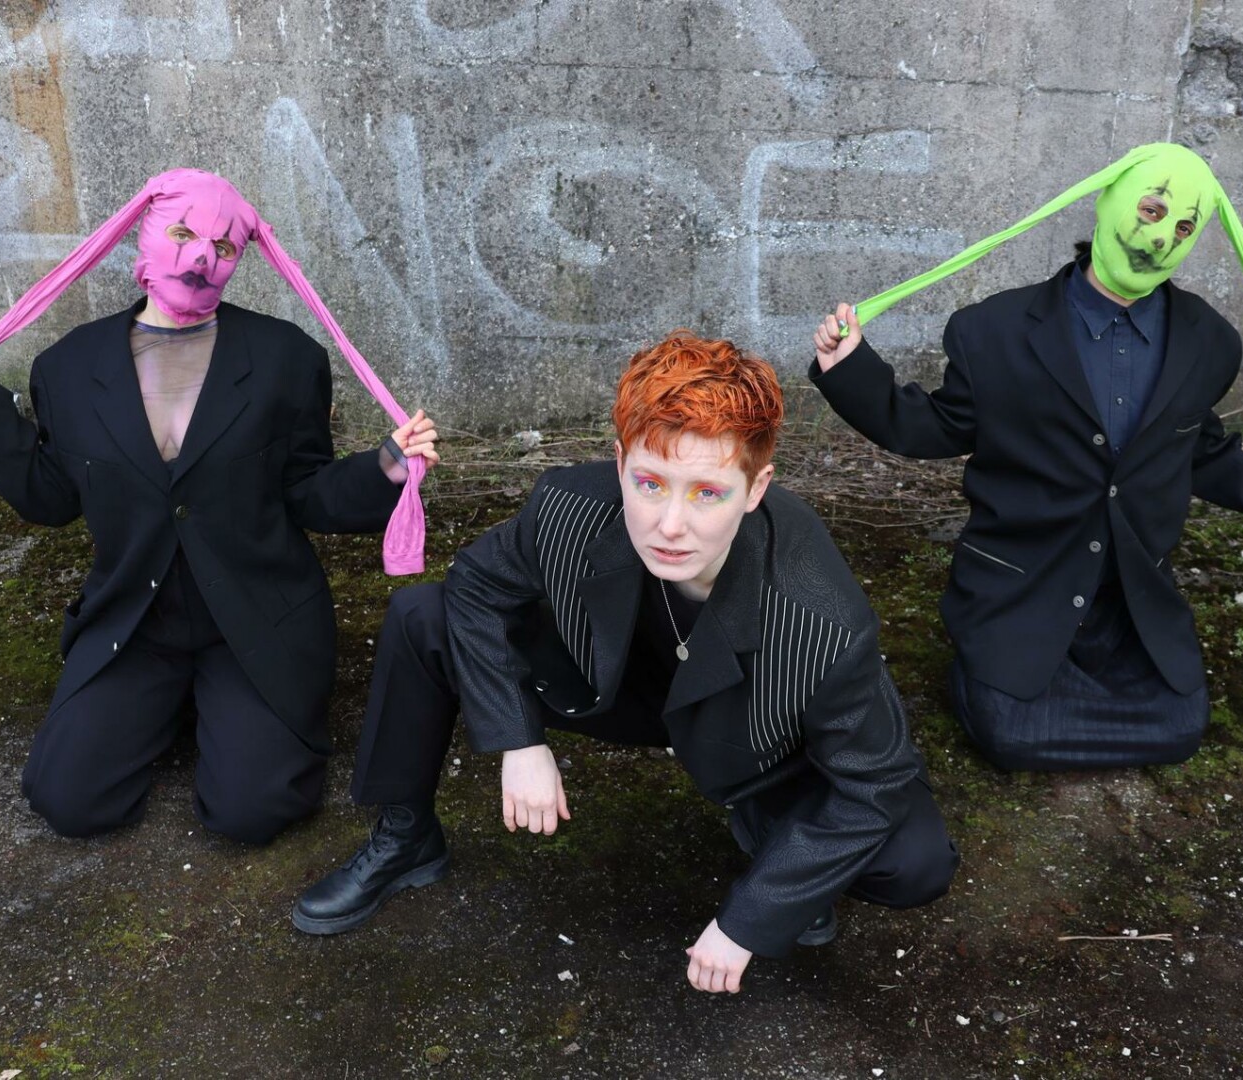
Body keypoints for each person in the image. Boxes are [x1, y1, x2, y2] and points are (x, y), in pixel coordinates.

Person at [291, 331, 958, 993]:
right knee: (422, 615)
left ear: (756, 488)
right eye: (650, 483)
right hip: (614, 681)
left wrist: (753, 917)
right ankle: (406, 836)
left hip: (748, 725)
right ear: (619, 463)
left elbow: (874, 785)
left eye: (707, 493)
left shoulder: (822, 619)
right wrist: (517, 737)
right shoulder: (566, 506)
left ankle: (776, 839)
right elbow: (474, 587)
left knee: (914, 860)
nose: (670, 525)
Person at [810, 143, 1243, 772]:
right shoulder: (994, 329)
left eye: (1183, 228)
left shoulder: (1209, 342)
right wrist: (849, 370)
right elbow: (935, 427)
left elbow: (1207, 457)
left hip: (1129, 594)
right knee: (1013, 736)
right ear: (1108, 203)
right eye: (1152, 210)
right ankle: (989, 672)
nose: (1159, 239)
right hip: (1023, 586)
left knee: (1180, 731)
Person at [0, 169, 440, 844]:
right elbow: (50, 497)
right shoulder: (69, 367)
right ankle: (174, 704)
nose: (202, 257)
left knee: (253, 812)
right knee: (67, 800)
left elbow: (305, 491)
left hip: (256, 617)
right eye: (182, 233)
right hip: (135, 623)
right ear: (145, 235)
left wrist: (386, 467)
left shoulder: (286, 358)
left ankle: (224, 711)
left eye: (224, 247)